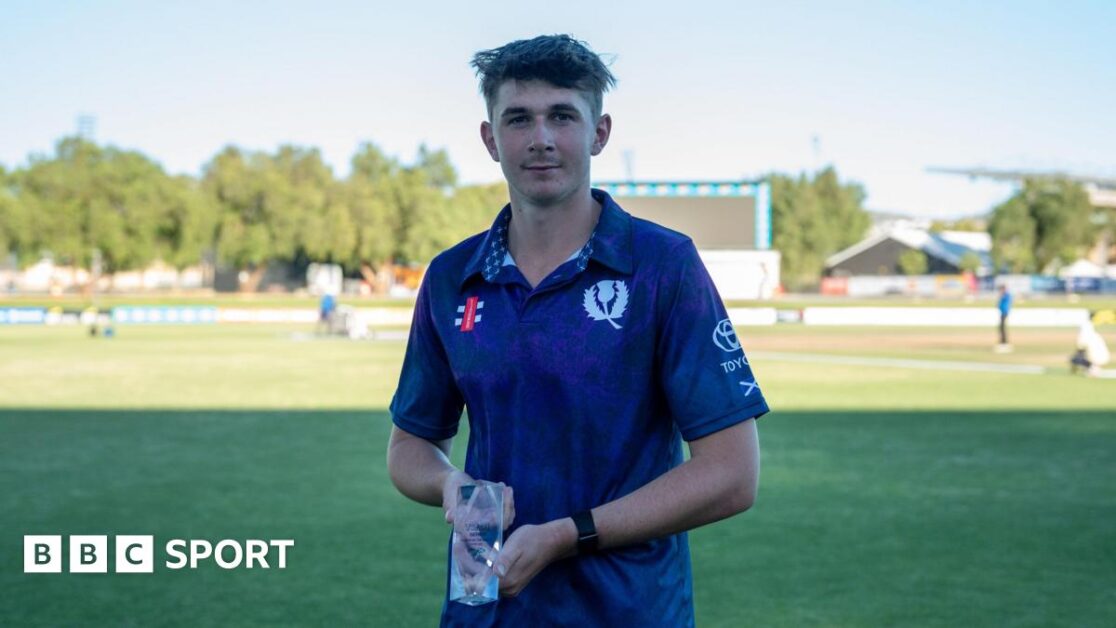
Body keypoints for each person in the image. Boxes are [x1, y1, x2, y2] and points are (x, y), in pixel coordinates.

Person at [386, 35, 768, 627]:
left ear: (599, 133)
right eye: (518, 118)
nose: (540, 138)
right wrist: (450, 486)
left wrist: (568, 535)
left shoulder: (663, 265)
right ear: (490, 139)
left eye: (562, 116)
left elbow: (732, 474)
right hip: (486, 613)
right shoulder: (451, 277)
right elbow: (410, 447)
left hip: (628, 612)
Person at [996, 285, 1013, 350]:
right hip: (1002, 312)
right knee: (1001, 327)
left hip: (1004, 312)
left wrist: (1001, 296)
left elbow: (1005, 301)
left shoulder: (1006, 295)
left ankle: (1004, 342)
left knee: (1002, 327)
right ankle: (1002, 341)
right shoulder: (1004, 295)